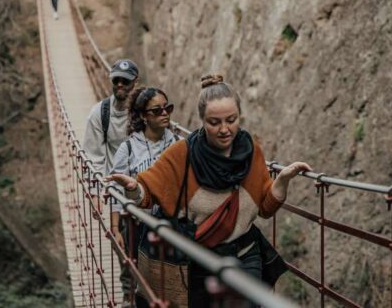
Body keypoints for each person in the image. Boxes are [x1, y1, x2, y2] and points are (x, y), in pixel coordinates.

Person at [108, 75, 310, 307]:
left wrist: (282, 180)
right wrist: (133, 189)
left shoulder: (251, 151)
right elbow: (147, 193)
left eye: (231, 120)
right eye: (214, 122)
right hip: (199, 261)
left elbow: (265, 208)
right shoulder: (182, 153)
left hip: (245, 254)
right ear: (202, 120)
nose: (225, 129)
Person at [109, 86, 182, 307]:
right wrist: (114, 227)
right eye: (156, 111)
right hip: (135, 223)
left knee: (167, 279)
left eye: (167, 108)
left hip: (170, 223)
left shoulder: (179, 144)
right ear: (143, 115)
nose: (165, 114)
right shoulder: (129, 148)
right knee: (134, 273)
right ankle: (129, 298)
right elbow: (115, 190)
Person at [83, 59, 139, 213]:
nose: (120, 84)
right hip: (117, 190)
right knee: (119, 234)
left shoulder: (144, 110)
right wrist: (94, 194)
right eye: (116, 79)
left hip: (144, 185)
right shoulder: (100, 113)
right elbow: (92, 156)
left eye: (125, 80)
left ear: (136, 81)